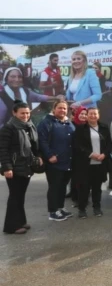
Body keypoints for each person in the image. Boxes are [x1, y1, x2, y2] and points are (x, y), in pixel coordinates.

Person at [0, 100, 42, 234]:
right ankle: (11, 226)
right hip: (14, 168)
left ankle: (20, 221)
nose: (25, 115)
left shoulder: (29, 125)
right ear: (14, 113)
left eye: (27, 113)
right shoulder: (9, 128)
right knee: (15, 196)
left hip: (26, 166)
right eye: (22, 113)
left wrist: (38, 156)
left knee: (20, 196)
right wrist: (7, 168)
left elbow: (33, 145)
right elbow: (3, 149)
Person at [38, 100, 75, 221]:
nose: (63, 110)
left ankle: (60, 207)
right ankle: (53, 212)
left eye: (65, 108)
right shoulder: (46, 123)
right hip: (54, 162)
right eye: (60, 108)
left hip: (67, 161)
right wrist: (49, 155)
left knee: (62, 186)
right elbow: (42, 141)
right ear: (54, 109)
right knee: (54, 186)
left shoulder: (68, 123)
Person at [73, 108, 112, 219]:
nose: (93, 116)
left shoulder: (104, 127)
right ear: (87, 116)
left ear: (98, 115)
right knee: (84, 188)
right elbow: (77, 145)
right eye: (90, 114)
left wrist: (104, 154)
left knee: (97, 188)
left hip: (100, 163)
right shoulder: (80, 129)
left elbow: (109, 144)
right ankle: (82, 209)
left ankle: (97, 207)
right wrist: (90, 154)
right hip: (85, 163)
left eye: (95, 114)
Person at [68, 106, 88, 206]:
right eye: (82, 114)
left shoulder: (90, 126)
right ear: (77, 115)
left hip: (87, 157)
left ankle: (84, 197)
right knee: (76, 178)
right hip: (75, 156)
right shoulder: (71, 125)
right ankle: (76, 198)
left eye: (85, 114)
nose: (84, 116)